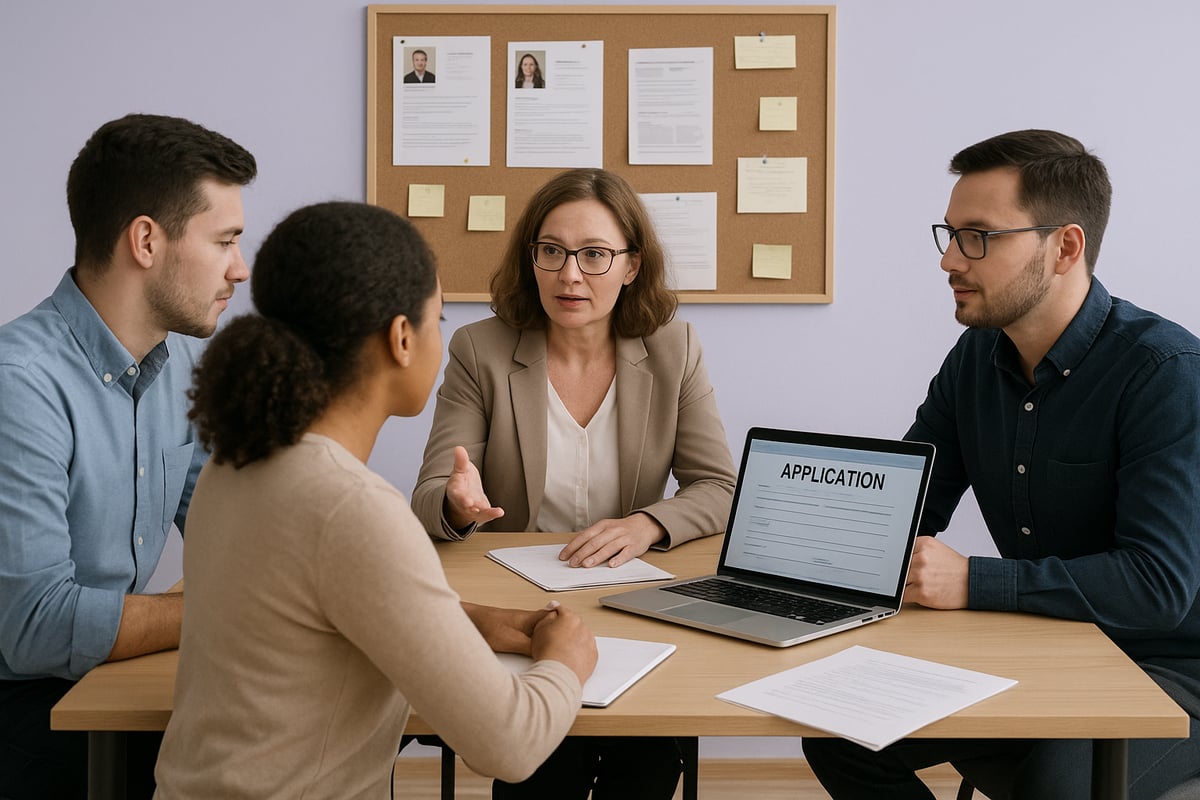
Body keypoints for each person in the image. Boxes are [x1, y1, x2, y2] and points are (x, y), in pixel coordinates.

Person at [803, 129, 1200, 799]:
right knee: (834, 730)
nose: (950, 260)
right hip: (1046, 649)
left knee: (1055, 783)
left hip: (1167, 671)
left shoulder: (1164, 374)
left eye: (978, 237)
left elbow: (1157, 587)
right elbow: (905, 508)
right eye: (950, 234)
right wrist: (794, 552)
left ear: (1064, 246)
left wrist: (975, 583)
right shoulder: (975, 361)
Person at [152, 202, 597, 798]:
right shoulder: (352, 509)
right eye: (438, 318)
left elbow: (316, 604)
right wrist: (567, 659)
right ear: (402, 338)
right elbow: (509, 745)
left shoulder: (236, 460)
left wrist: (463, 621)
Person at [413, 168, 737, 799]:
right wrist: (455, 503)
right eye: (552, 251)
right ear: (530, 257)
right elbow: (428, 493)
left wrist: (648, 524)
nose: (569, 274)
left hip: (633, 602)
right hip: (519, 606)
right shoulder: (480, 348)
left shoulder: (676, 347)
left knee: (646, 761)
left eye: (594, 254)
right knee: (544, 764)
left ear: (632, 265)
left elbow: (720, 487)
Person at [0, 113, 256, 800]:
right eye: (225, 240)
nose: (241, 267)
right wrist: (233, 608)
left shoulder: (181, 360)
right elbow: (35, 628)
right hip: (22, 710)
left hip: (102, 678)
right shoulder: (17, 383)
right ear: (146, 240)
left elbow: (225, 524)